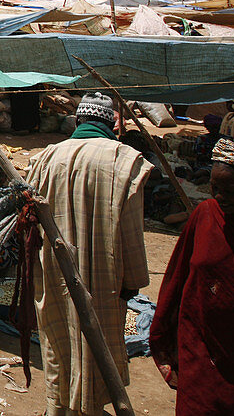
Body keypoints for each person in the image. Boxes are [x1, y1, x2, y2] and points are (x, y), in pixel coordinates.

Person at [25, 91, 152, 416]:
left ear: (78, 121)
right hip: (104, 278)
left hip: (55, 273)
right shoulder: (125, 161)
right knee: (99, 352)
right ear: (111, 124)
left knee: (60, 345)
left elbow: (29, 226)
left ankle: (61, 410)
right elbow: (131, 231)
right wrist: (132, 283)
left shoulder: (47, 157)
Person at [149, 138, 234, 415]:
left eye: (230, 191)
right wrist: (164, 334)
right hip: (200, 352)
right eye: (215, 188)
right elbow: (177, 277)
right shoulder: (206, 215)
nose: (220, 196)